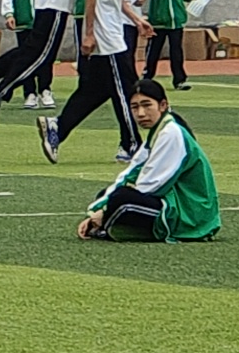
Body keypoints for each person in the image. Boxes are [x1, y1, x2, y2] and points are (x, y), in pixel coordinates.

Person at [44, 0, 149, 162]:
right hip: (105, 35)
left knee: (96, 89)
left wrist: (136, 20)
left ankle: (58, 127)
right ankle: (131, 144)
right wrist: (89, 34)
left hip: (114, 30)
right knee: (125, 88)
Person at [79, 80, 220, 242]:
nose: (140, 113)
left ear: (163, 105)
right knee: (109, 194)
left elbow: (151, 184)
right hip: (173, 202)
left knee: (121, 199)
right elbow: (131, 172)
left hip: (190, 213)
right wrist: (97, 209)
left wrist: (104, 211)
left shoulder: (171, 133)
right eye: (135, 107)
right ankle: (109, 226)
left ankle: (106, 226)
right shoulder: (158, 131)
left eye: (147, 105)